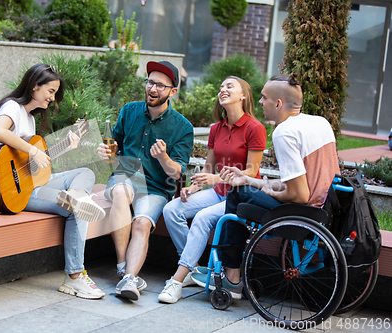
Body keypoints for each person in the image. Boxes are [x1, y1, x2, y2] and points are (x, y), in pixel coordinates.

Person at [0, 63, 106, 300]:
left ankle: (76, 195)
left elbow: (32, 164)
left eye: (54, 93)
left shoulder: (29, 119)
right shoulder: (12, 107)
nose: (52, 97)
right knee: (77, 211)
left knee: (86, 173)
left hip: (32, 183)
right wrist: (33, 151)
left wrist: (66, 147)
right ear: (34, 87)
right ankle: (74, 278)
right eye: (50, 91)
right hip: (14, 192)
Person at [217, 72, 341, 298]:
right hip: (326, 210)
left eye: (264, 98)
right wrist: (250, 180)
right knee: (243, 186)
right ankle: (235, 273)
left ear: (279, 103)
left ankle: (233, 277)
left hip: (303, 214)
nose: (261, 102)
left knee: (236, 194)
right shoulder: (319, 122)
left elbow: (299, 195)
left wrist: (259, 188)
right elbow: (298, 181)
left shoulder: (284, 132)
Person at [157, 76, 266, 304]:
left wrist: (215, 176)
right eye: (221, 86)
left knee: (202, 218)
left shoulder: (255, 128)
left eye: (229, 86)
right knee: (172, 210)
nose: (222, 89)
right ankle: (192, 267)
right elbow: (209, 166)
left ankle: (176, 281)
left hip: (240, 197)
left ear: (243, 95)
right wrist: (194, 187)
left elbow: (251, 171)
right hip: (217, 192)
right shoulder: (216, 128)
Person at [97, 61, 194, 301]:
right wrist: (107, 153)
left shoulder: (183, 127)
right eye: (150, 82)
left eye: (160, 85)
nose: (152, 88)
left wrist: (163, 157)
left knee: (142, 223)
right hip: (125, 176)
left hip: (155, 187)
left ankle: (129, 278)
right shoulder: (129, 111)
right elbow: (114, 149)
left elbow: (176, 173)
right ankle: (123, 269)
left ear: (173, 91)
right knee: (120, 190)